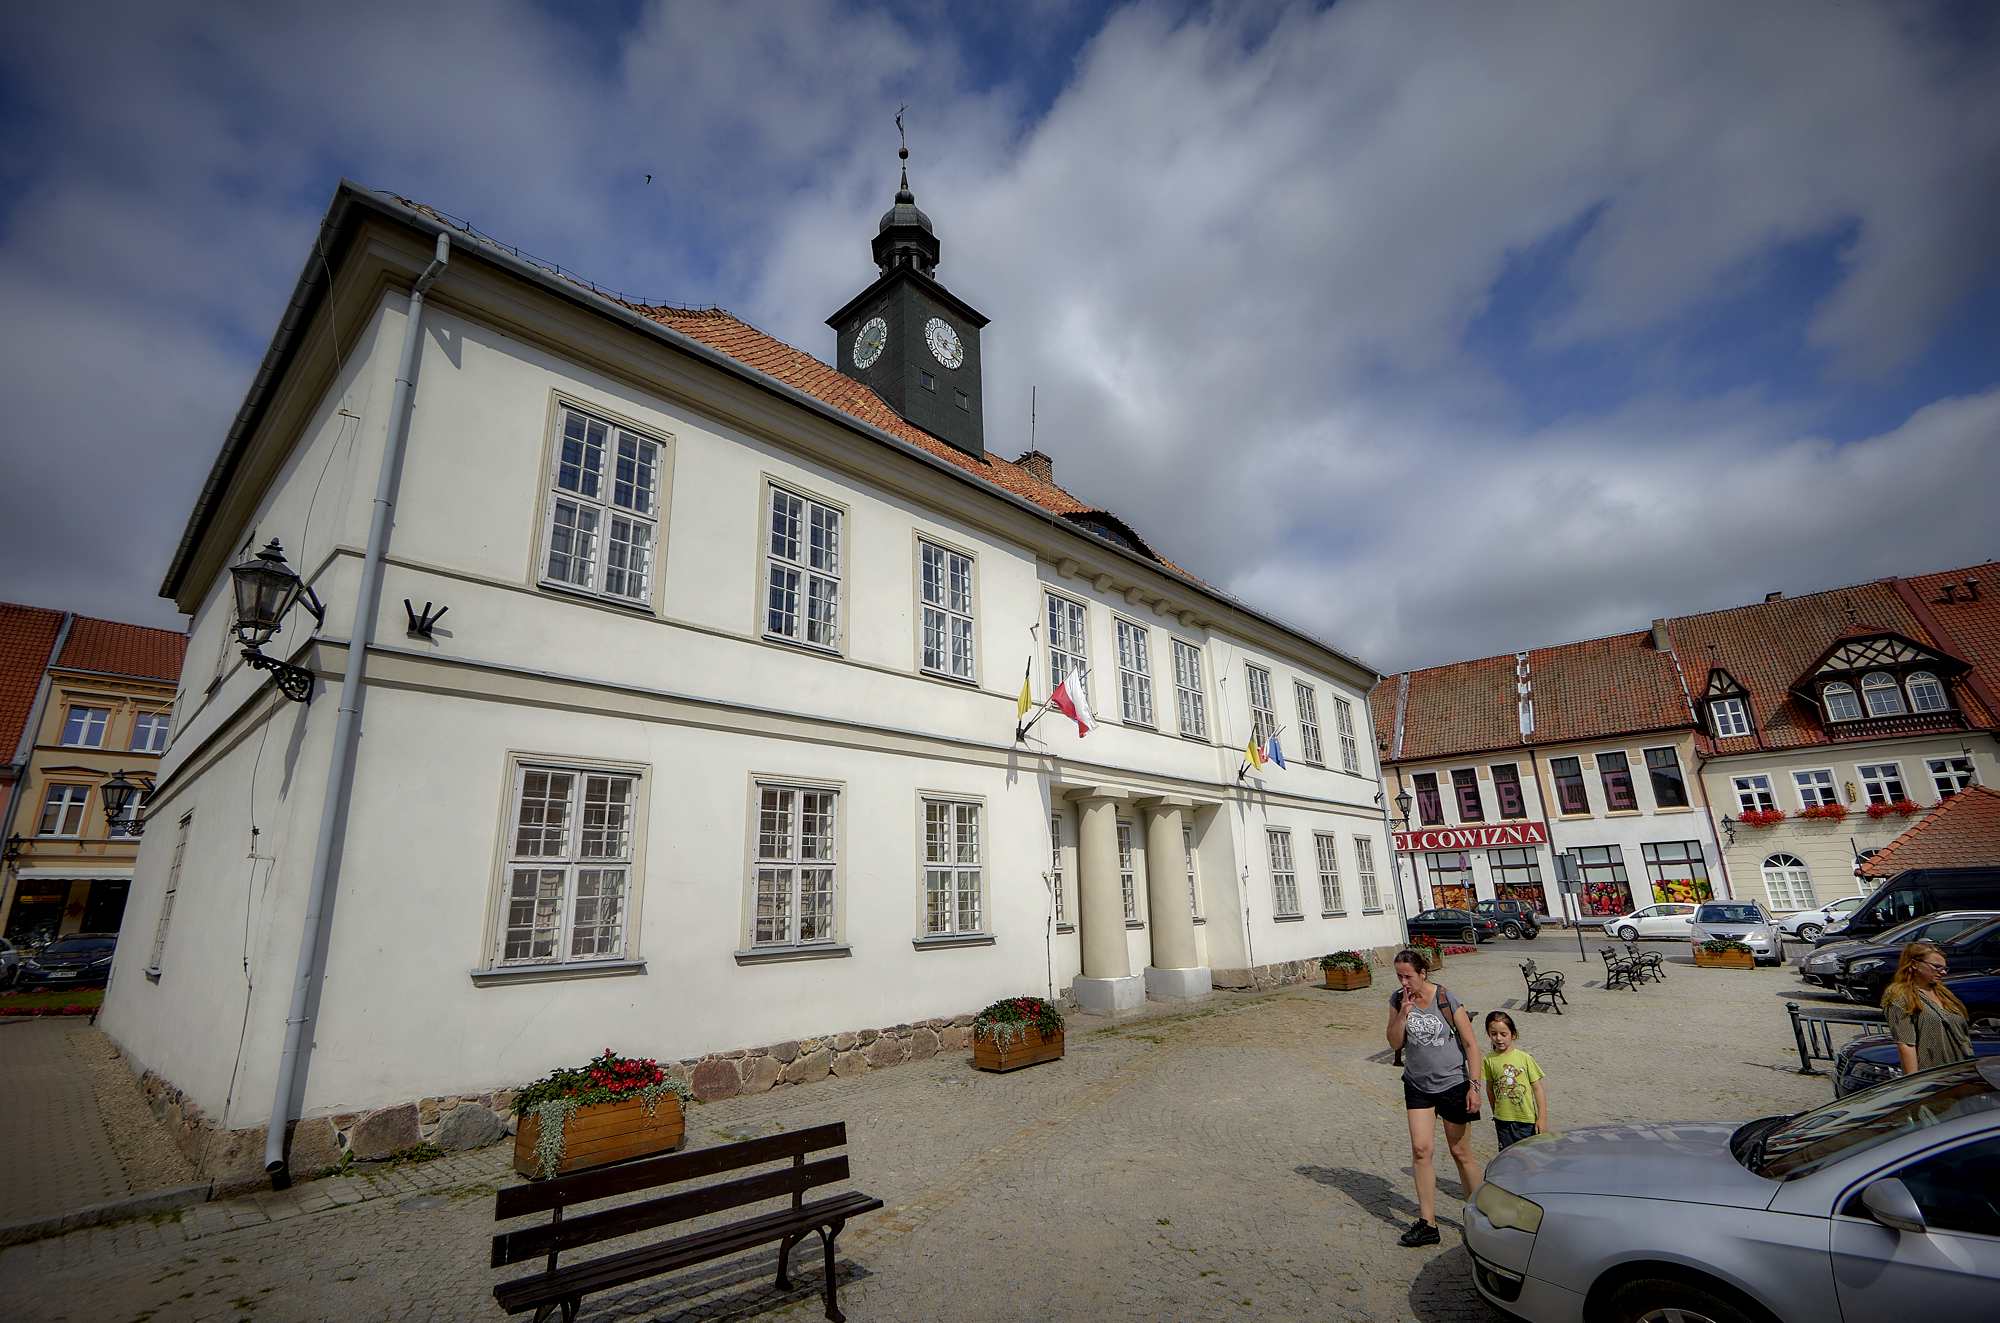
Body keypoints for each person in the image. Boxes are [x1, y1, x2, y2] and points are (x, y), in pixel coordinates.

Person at [1386, 947, 1484, 1247]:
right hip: (1417, 1084)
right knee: (1420, 1150)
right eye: (1399, 976)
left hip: (1453, 1083)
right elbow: (1393, 1042)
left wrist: (1474, 1087)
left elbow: (1470, 1045)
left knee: (1460, 1152)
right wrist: (1402, 1015)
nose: (1404, 982)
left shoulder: (1446, 998)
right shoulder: (1397, 1000)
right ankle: (1428, 1223)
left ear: (1422, 973)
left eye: (1408, 976)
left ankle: (1480, 1215)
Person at [1881, 940, 1973, 1074]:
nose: (1943, 972)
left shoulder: (1943, 992)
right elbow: (1906, 1044)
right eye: (1937, 967)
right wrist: (1913, 1085)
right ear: (1914, 964)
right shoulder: (1900, 995)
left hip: (1960, 1072)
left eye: (1945, 968)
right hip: (1931, 1076)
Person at [1481, 1011, 1548, 1150]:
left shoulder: (1525, 1058)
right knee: (1507, 1157)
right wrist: (1496, 1111)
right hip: (1503, 1122)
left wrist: (1542, 1118)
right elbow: (1490, 1088)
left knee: (1529, 1156)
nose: (1498, 1038)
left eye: (1503, 1034)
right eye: (1493, 1034)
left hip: (1526, 1121)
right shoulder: (1488, 1060)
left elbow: (1537, 1089)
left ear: (1513, 1034)